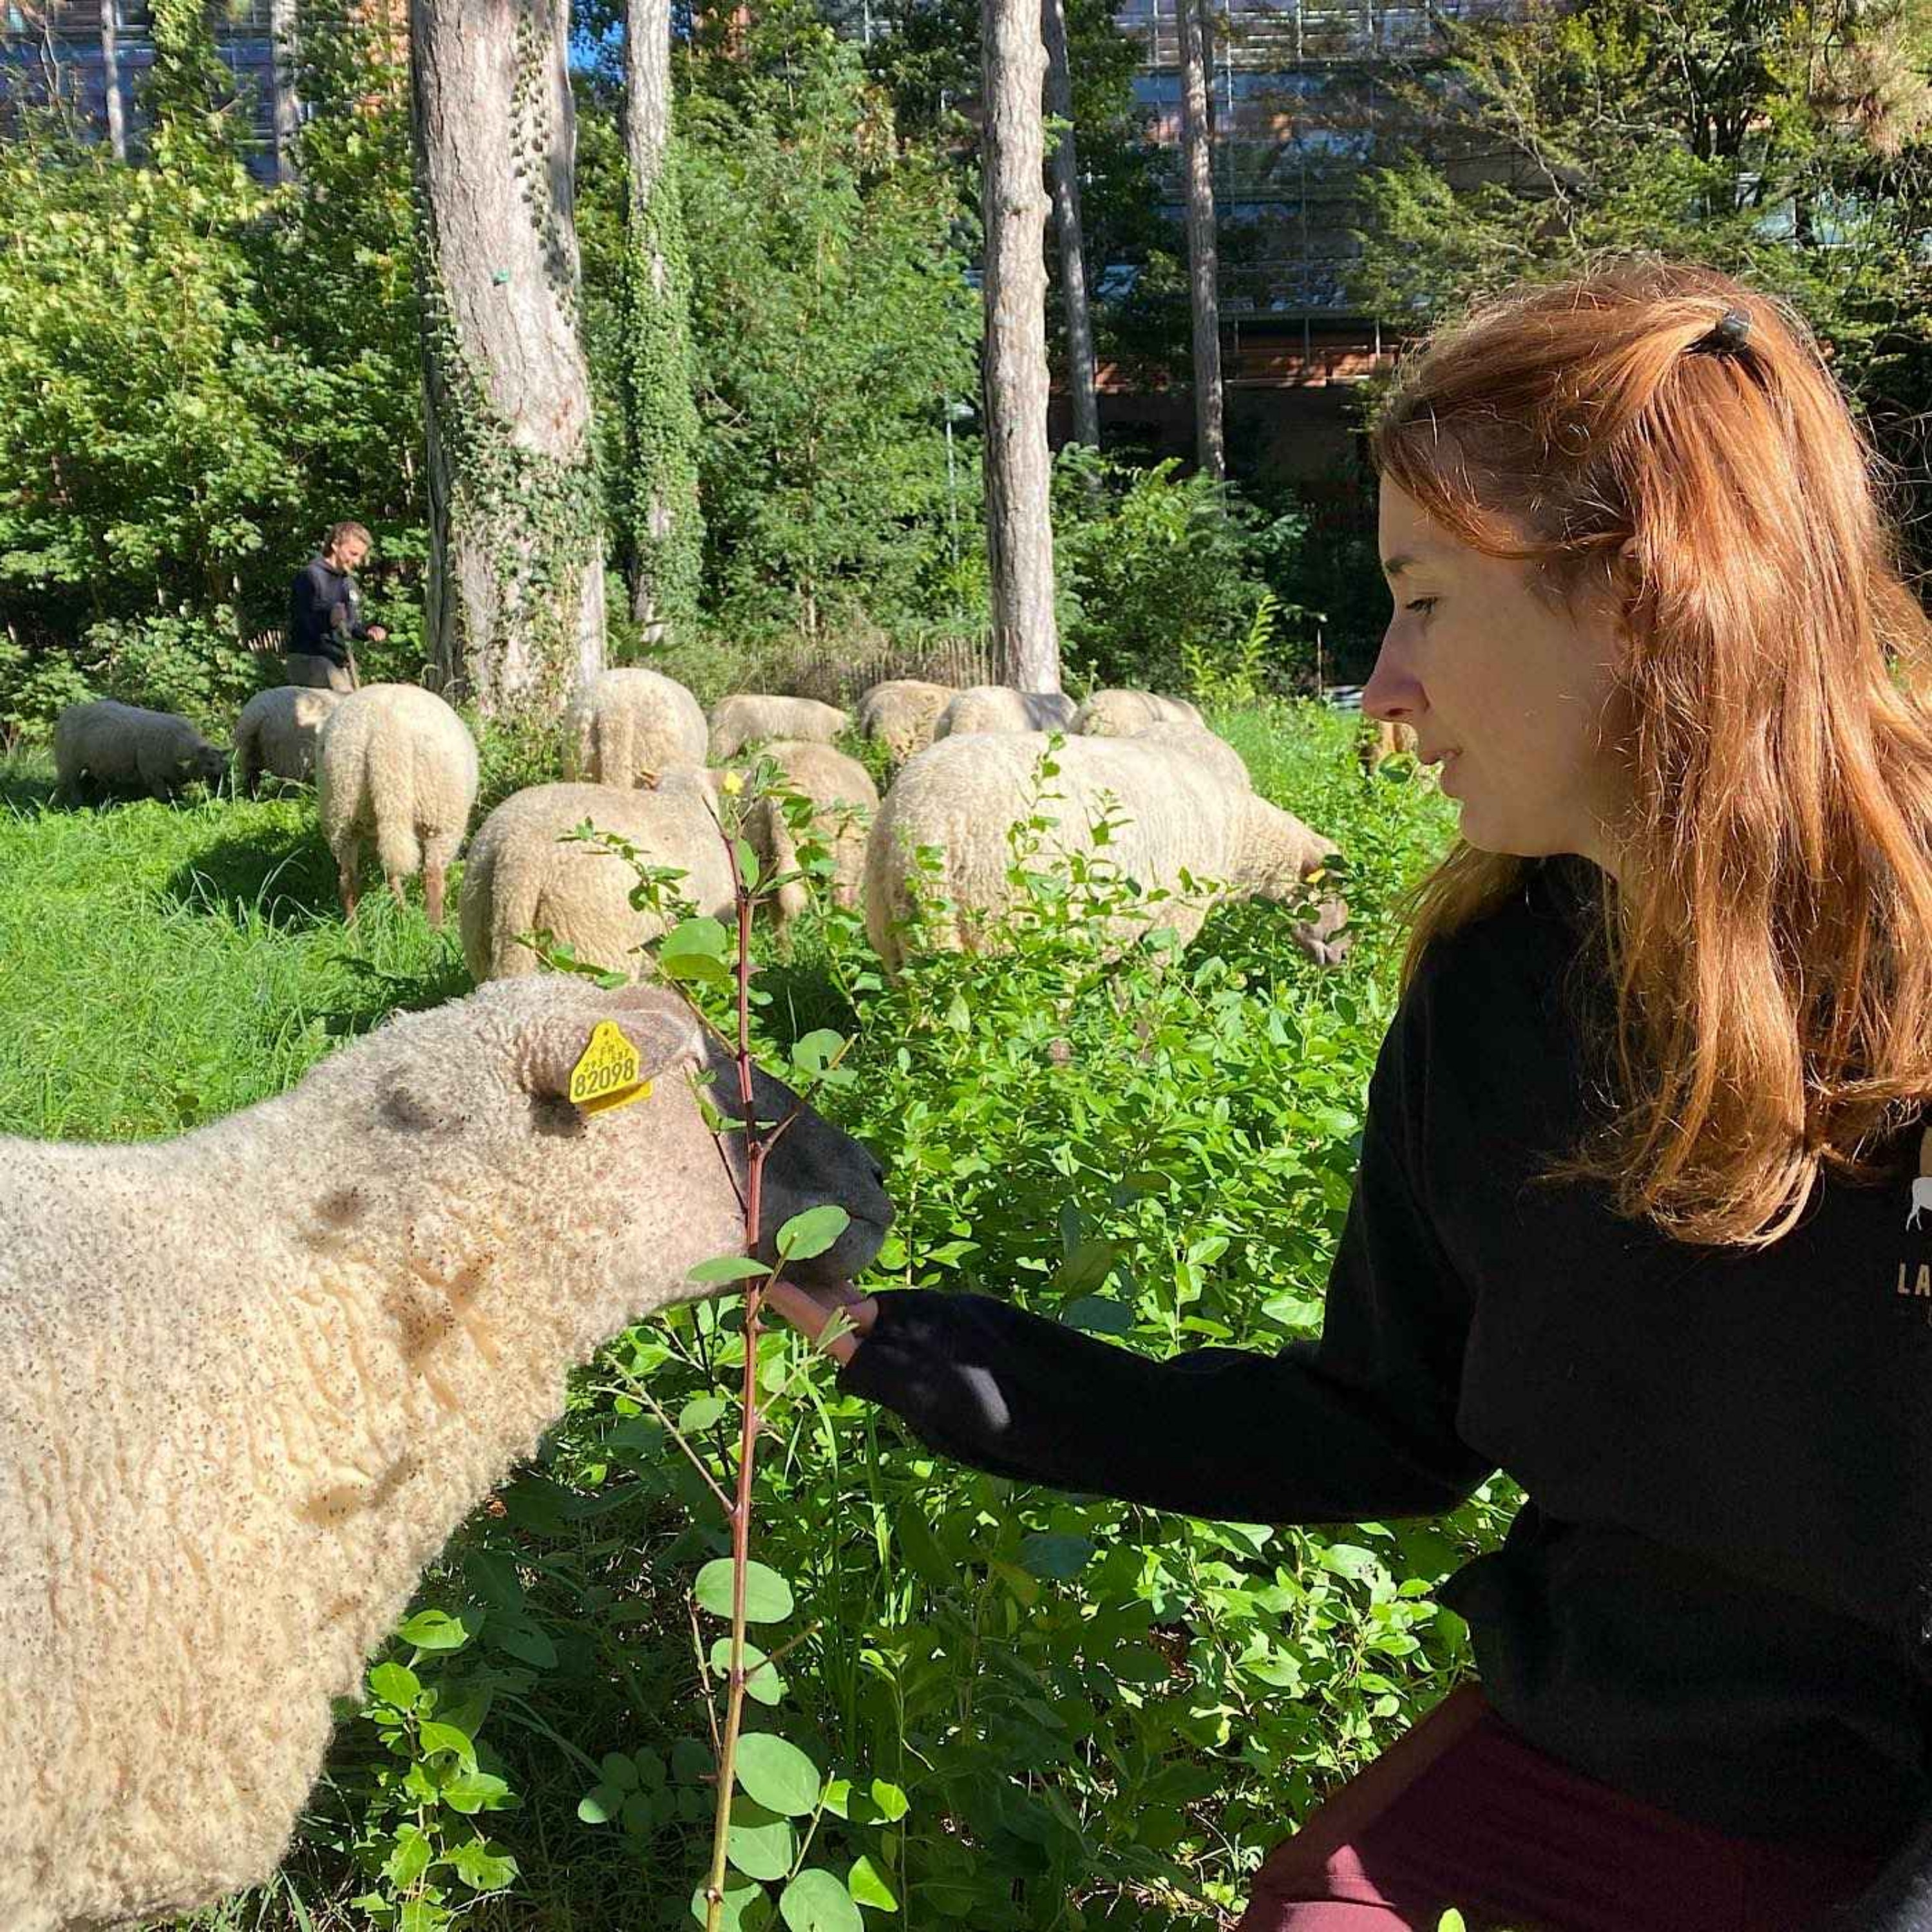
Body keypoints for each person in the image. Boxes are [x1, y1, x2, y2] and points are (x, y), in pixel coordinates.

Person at [768, 258, 1932, 1932]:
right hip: (1609, 1748)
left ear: (1648, 590)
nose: (1382, 693)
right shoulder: (1501, 983)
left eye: (1428, 599)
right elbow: (1386, 1422)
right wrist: (922, 1350)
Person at [286, 520, 388, 692]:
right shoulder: (310, 576)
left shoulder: (348, 584)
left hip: (338, 663)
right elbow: (300, 620)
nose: (357, 562)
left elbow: (351, 625)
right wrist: (328, 620)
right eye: (353, 554)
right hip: (310, 659)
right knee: (347, 708)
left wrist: (369, 631)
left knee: (351, 706)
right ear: (335, 545)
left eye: (361, 556)